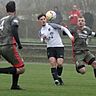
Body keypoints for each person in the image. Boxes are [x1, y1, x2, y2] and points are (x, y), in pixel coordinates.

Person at [37, 13, 74, 85]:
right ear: (39, 21)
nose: (43, 21)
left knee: (60, 63)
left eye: (44, 19)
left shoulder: (52, 25)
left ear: (46, 19)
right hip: (50, 48)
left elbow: (63, 28)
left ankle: (59, 77)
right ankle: (56, 80)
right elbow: (42, 40)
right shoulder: (40, 31)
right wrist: (43, 38)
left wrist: (70, 36)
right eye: (41, 20)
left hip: (59, 46)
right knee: (52, 62)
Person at [0, 1, 25, 90]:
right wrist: (19, 43)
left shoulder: (2, 20)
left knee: (16, 64)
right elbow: (14, 29)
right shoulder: (13, 18)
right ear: (15, 9)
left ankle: (14, 85)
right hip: (9, 45)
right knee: (21, 68)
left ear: (6, 9)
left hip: (2, 46)